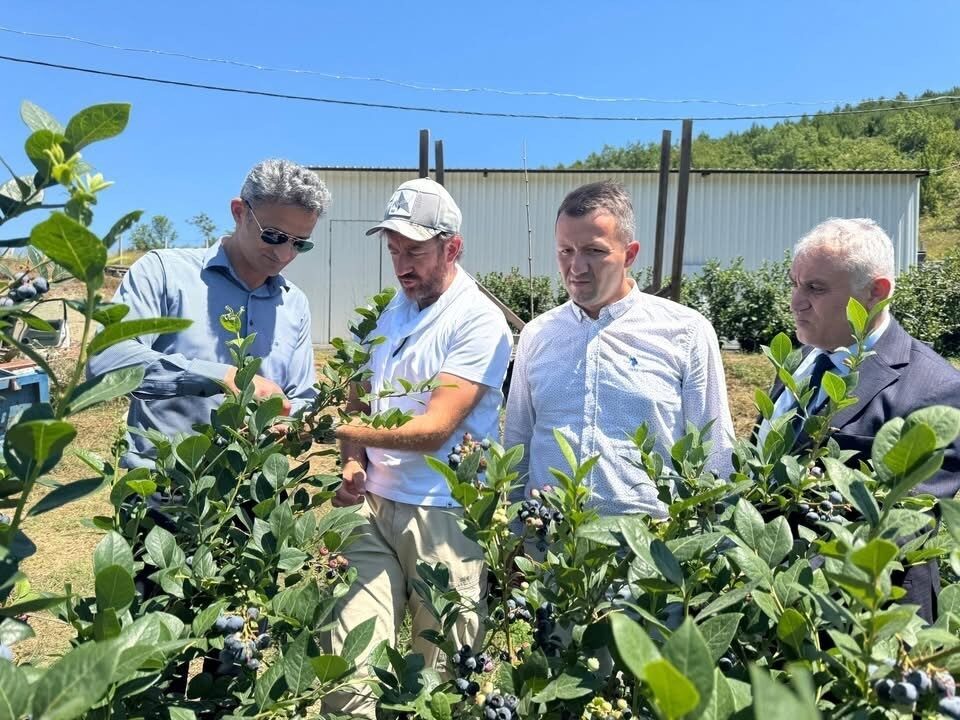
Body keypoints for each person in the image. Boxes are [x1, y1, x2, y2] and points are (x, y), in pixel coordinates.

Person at [324, 178, 512, 716]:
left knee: (441, 679)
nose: (402, 264)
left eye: (415, 250)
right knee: (346, 664)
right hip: (372, 509)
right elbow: (359, 395)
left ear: (451, 247)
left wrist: (344, 433)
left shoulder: (477, 319)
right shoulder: (393, 313)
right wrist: (353, 461)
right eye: (393, 249)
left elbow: (435, 430)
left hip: (443, 516)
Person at [762, 217, 960, 622]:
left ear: (875, 293)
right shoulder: (801, 362)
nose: (796, 301)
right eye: (794, 283)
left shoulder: (934, 390)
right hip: (778, 608)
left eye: (815, 288)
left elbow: (901, 527)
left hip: (867, 621)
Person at [504, 180, 735, 518]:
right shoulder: (537, 336)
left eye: (594, 251)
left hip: (649, 551)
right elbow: (518, 442)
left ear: (630, 254)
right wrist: (511, 540)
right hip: (550, 546)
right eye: (565, 251)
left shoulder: (685, 331)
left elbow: (715, 449)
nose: (577, 267)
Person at [88, 158, 329, 468]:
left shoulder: (294, 303)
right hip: (161, 496)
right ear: (239, 212)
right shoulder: (163, 272)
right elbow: (107, 360)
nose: (284, 254)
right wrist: (220, 376)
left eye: (299, 244)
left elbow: (301, 397)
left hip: (252, 499)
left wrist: (293, 424)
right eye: (273, 235)